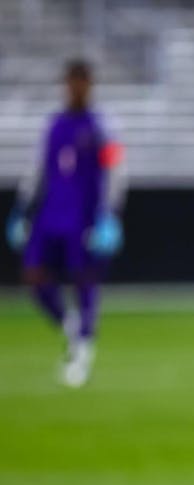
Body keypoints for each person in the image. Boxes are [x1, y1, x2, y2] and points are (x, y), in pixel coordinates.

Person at [5, 59, 126, 387]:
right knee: (34, 275)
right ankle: (71, 325)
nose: (75, 88)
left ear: (89, 85)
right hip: (50, 215)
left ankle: (82, 350)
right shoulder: (53, 124)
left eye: (81, 82)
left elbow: (115, 170)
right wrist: (22, 208)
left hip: (83, 217)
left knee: (84, 281)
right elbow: (38, 169)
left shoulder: (103, 127)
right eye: (71, 82)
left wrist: (110, 214)